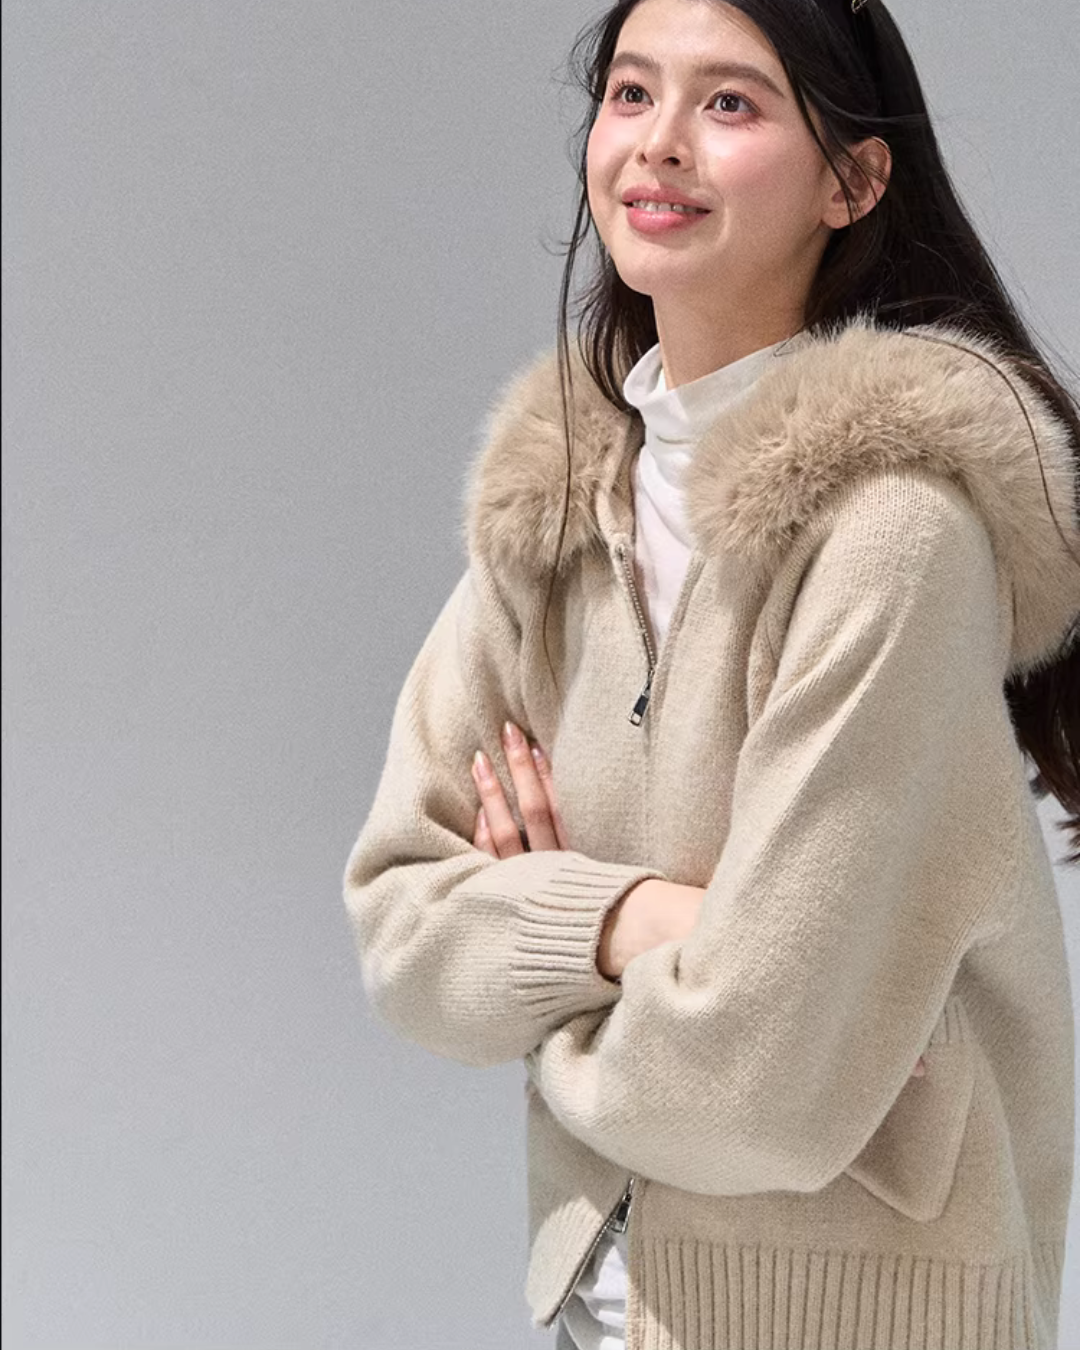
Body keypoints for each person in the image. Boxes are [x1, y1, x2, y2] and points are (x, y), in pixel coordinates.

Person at [341, 0, 1080, 1346]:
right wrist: (636, 921)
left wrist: (536, 958)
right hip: (608, 1313)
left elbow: (758, 1090)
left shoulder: (893, 535)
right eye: (631, 94)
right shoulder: (559, 512)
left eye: (730, 103)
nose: (659, 143)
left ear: (853, 181)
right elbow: (399, 928)